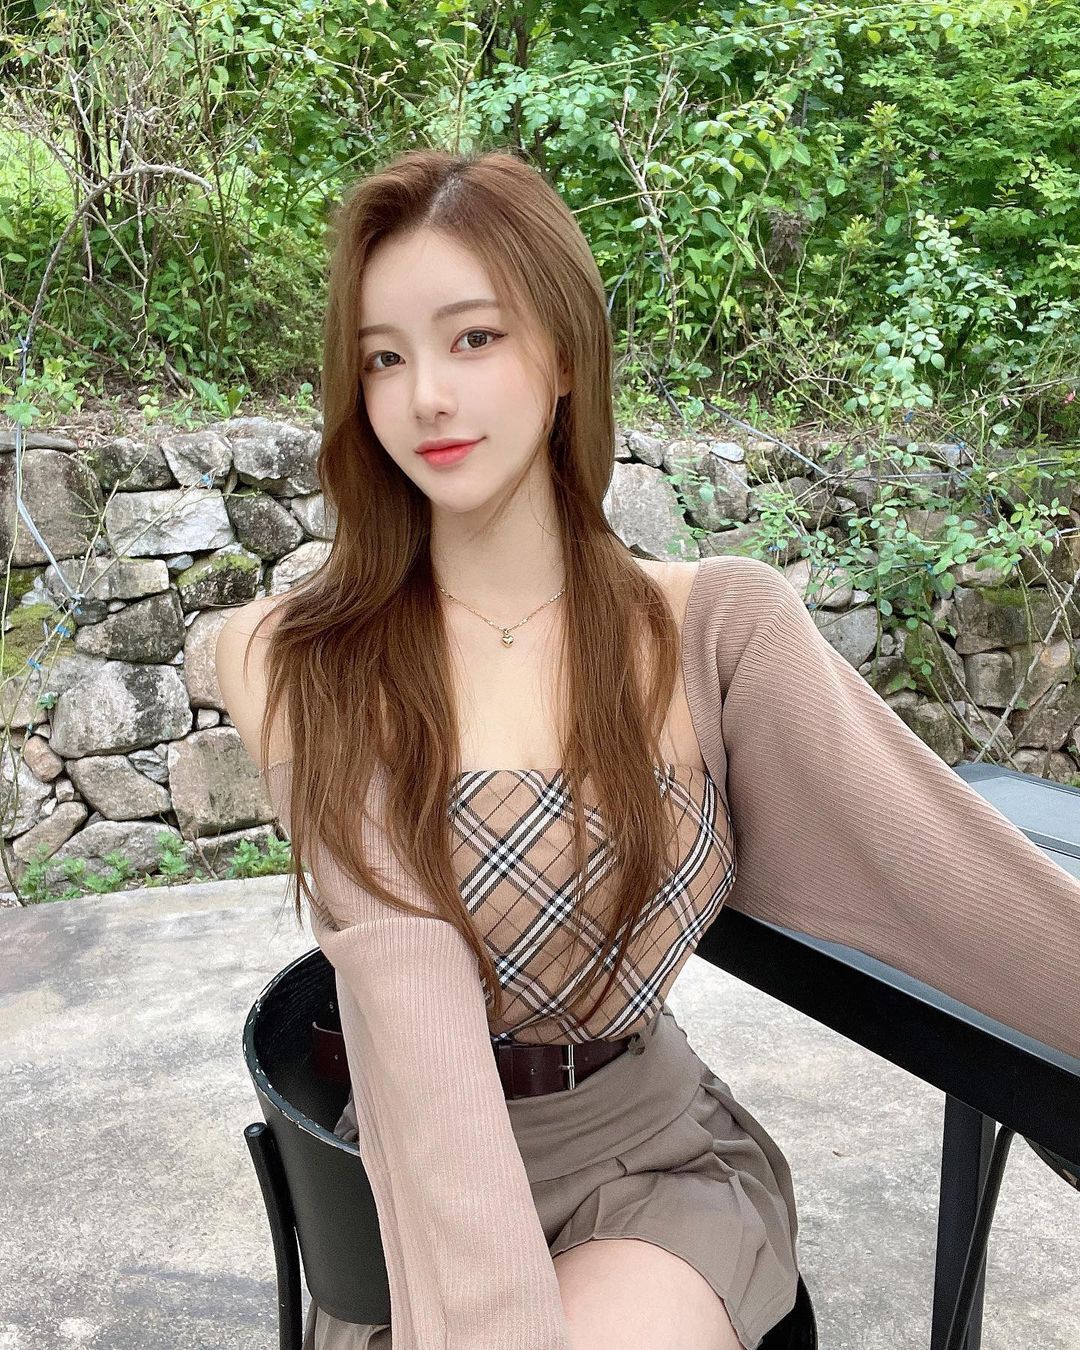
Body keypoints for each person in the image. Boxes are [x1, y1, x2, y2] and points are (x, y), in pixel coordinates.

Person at [215, 147, 1080, 1350]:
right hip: (418, 1198)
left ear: (565, 355)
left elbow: (946, 876)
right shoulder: (298, 658)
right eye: (384, 357)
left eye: (474, 338)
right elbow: (407, 1001)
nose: (427, 397)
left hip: (650, 1165)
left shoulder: (714, 627)